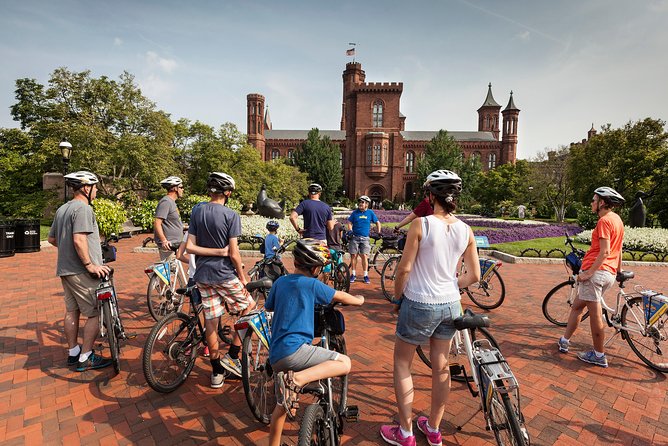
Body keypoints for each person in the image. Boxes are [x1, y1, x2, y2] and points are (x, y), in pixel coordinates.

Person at [380, 170, 481, 446]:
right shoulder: (466, 230)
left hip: (419, 302)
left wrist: (398, 298)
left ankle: (406, 432)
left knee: (402, 364)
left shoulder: (421, 225)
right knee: (441, 366)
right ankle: (434, 428)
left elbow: (404, 269)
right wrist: (449, 284)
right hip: (450, 305)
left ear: (430, 196)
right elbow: (474, 275)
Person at [266, 239, 364, 446]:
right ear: (316, 267)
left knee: (281, 408)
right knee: (344, 363)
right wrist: (360, 300)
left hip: (276, 356)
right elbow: (340, 296)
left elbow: (269, 306)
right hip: (296, 351)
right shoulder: (311, 284)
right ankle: (299, 379)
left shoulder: (280, 282)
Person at [184, 172, 255, 387]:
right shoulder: (231, 215)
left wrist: (213, 253)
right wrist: (242, 278)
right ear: (228, 193)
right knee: (249, 307)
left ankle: (216, 372)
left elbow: (189, 247)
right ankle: (233, 356)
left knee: (211, 322)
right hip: (224, 275)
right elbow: (233, 253)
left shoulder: (198, 211)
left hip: (202, 276)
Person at [47, 171, 113, 372]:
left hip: (66, 270)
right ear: (86, 188)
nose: (96, 191)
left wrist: (69, 253)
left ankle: (73, 352)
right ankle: (86, 356)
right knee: (94, 313)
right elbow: (79, 239)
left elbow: (52, 239)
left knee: (72, 311)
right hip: (82, 272)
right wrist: (89, 264)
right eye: (95, 187)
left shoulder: (62, 209)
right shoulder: (83, 209)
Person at [558, 187, 625, 368]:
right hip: (608, 273)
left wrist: (588, 273)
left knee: (595, 315)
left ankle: (599, 355)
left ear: (602, 202)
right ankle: (564, 340)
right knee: (578, 306)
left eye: (594, 200)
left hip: (596, 273)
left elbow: (605, 251)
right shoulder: (617, 219)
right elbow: (618, 250)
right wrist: (618, 270)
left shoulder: (604, 221)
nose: (591, 203)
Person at [346, 195, 381, 284]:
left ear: (367, 204)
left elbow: (377, 222)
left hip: (365, 238)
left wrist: (379, 232)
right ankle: (353, 274)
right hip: (355, 237)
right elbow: (349, 222)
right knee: (354, 256)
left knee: (364, 256)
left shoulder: (370, 213)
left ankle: (365, 275)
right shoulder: (355, 213)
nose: (360, 204)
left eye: (362, 202)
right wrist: (350, 230)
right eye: (360, 202)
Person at [154, 176, 185, 261]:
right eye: (181, 187)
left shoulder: (172, 202)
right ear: (175, 188)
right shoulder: (166, 202)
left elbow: (171, 222)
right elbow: (157, 223)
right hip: (169, 245)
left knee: (175, 271)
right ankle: (153, 273)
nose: (183, 190)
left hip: (176, 243)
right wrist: (164, 240)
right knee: (169, 271)